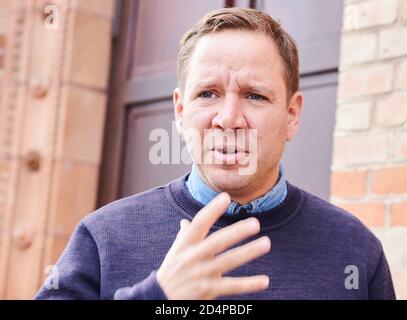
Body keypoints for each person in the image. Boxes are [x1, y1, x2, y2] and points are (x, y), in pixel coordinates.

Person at [35, 7, 396, 300]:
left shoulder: (354, 251)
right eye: (207, 93)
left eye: (255, 95)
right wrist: (159, 298)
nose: (228, 119)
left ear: (292, 115)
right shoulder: (103, 237)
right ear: (180, 111)